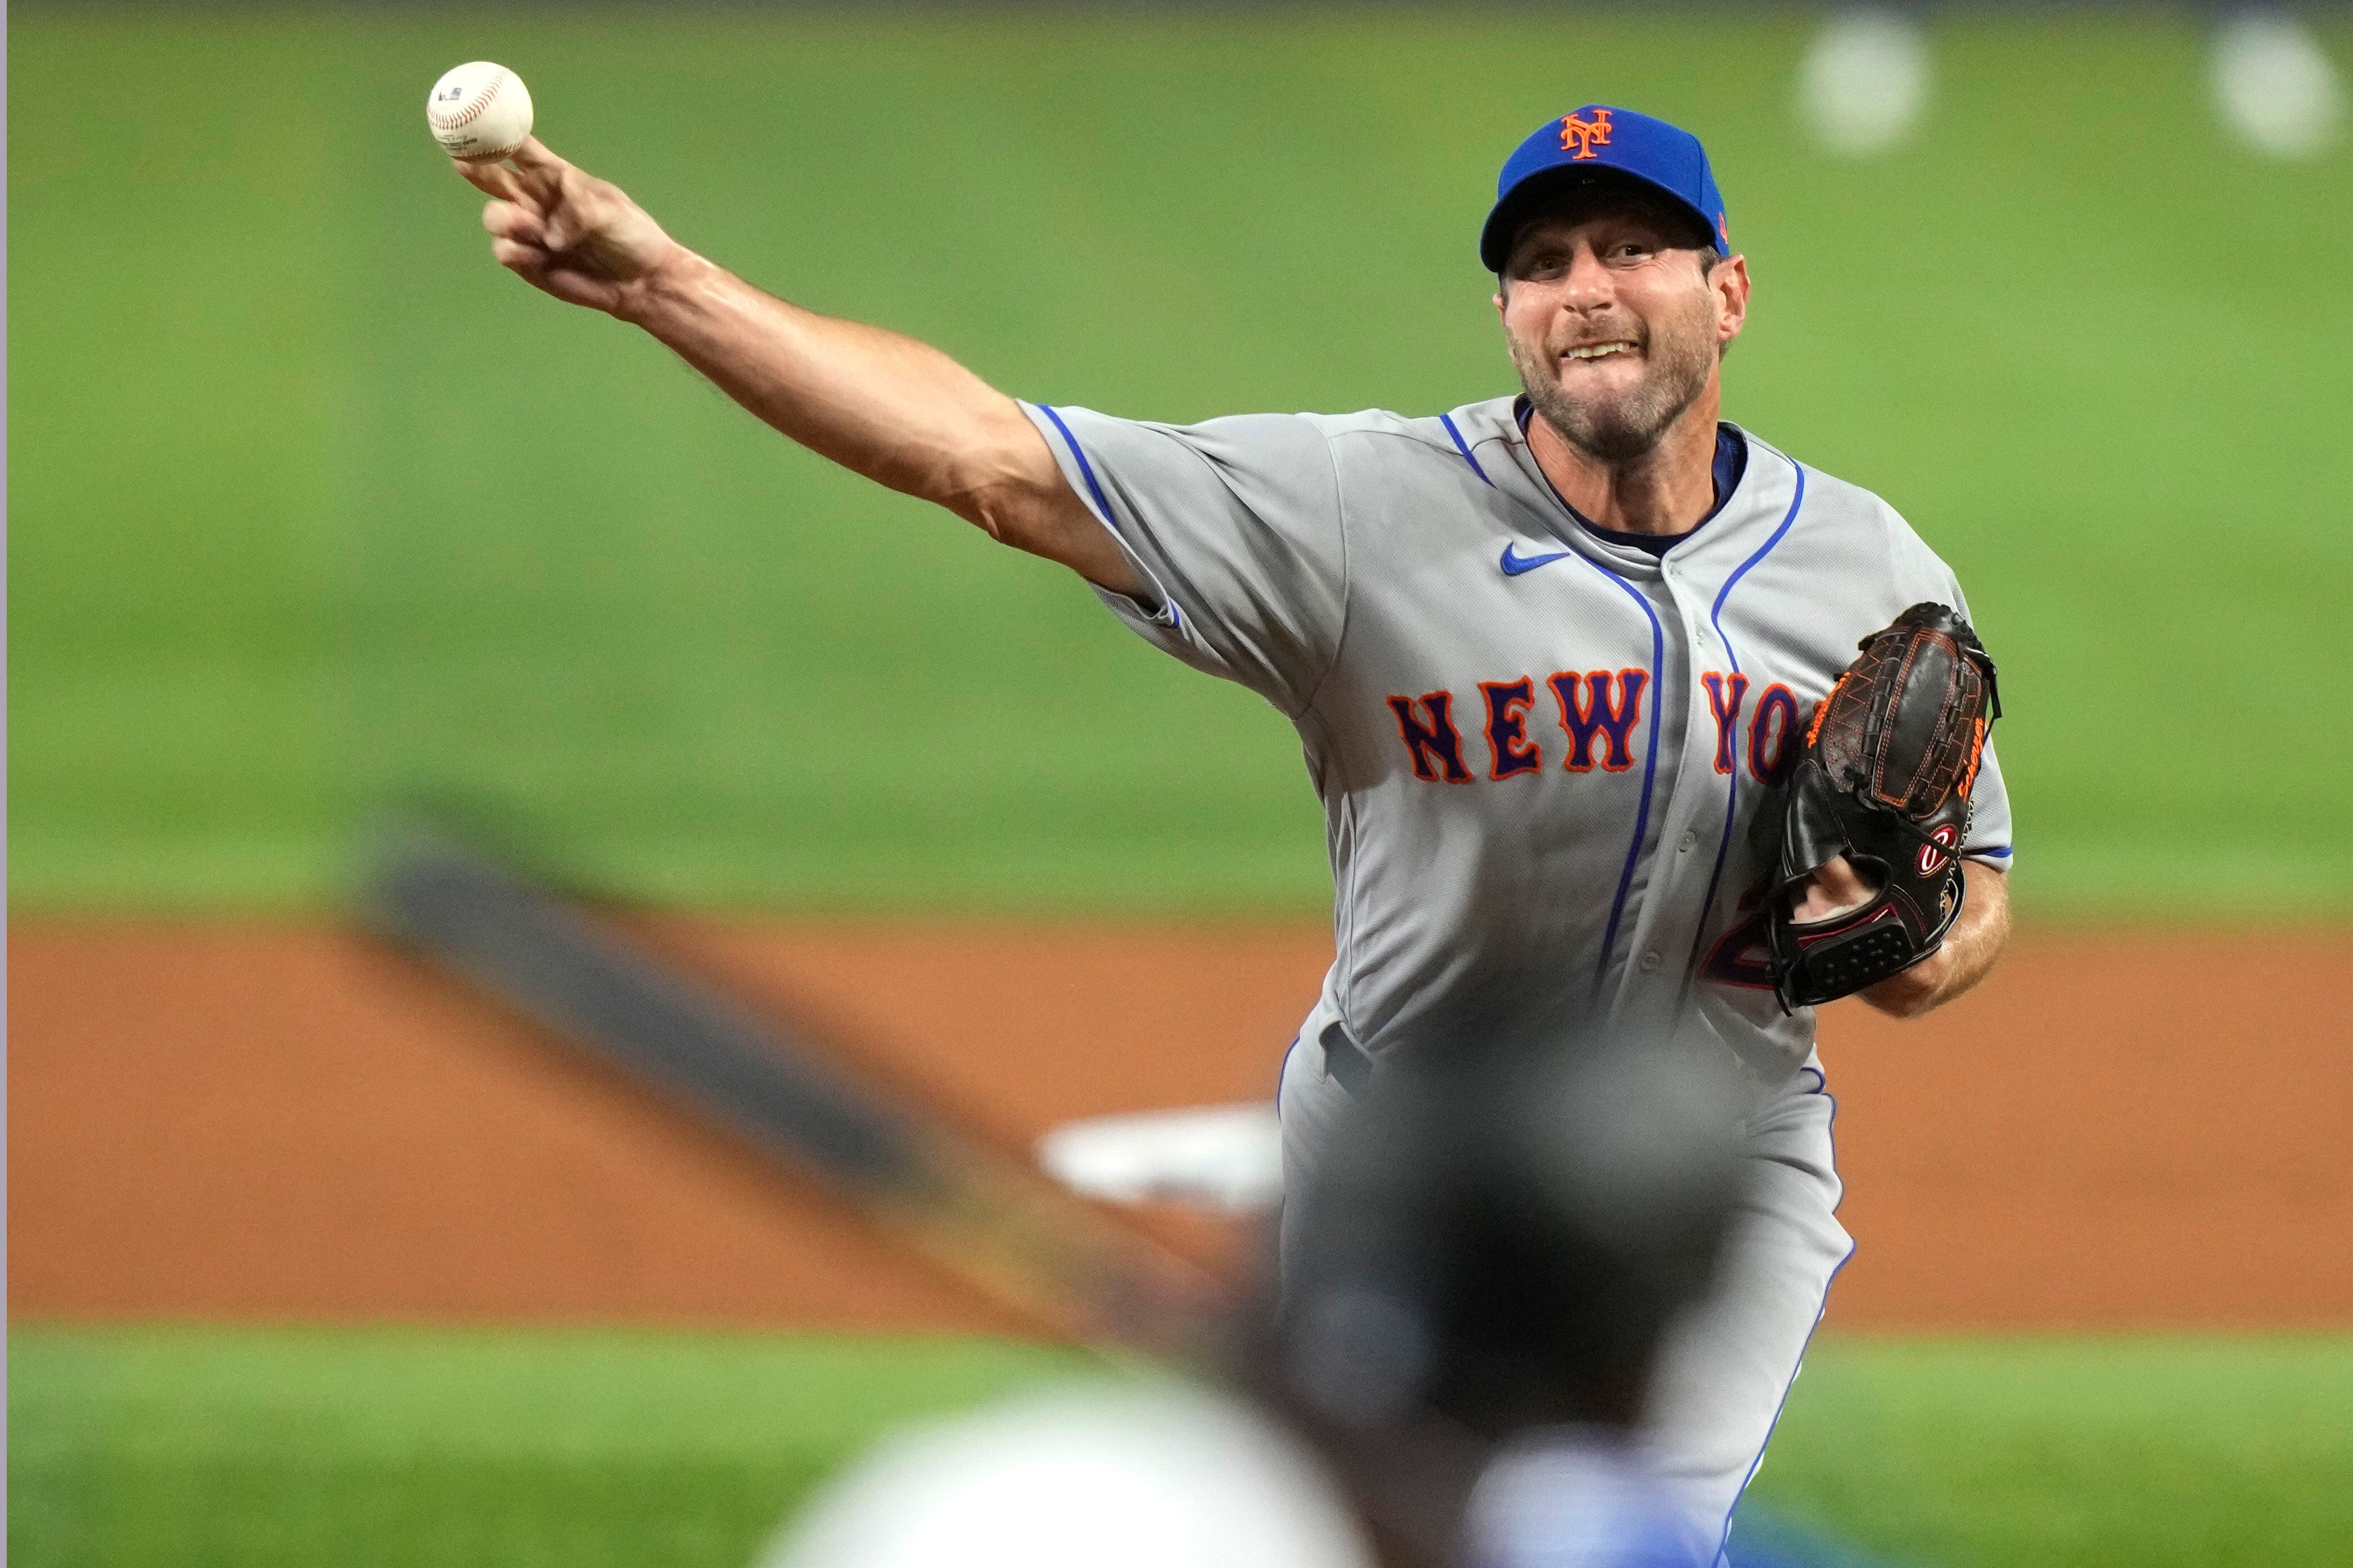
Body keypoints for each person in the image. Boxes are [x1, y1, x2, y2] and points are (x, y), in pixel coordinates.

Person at [452, 101, 2014, 1559]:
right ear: (1504, 318)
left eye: (1629, 250)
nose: (1585, 291)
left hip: (1708, 1177)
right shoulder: (1358, 509)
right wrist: (662, 284)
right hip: (1394, 1149)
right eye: (1541, 264)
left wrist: (1897, 935)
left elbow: (1967, 913)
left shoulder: (1868, 568)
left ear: (1725, 291)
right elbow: (986, 458)